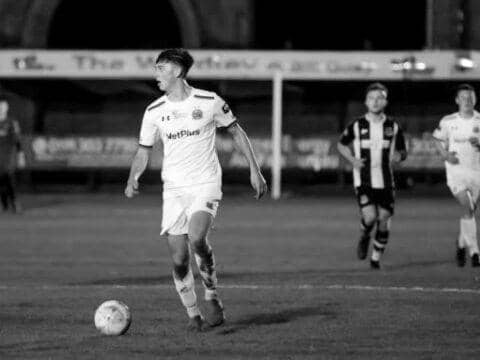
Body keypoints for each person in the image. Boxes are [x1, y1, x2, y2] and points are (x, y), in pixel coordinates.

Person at [124, 48, 267, 331]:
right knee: (178, 259)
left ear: (177, 71)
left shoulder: (209, 101)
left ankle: (211, 294)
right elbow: (143, 151)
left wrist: (255, 169)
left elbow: (237, 132)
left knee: (196, 236)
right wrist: (133, 177)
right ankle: (194, 315)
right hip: (174, 190)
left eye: (161, 69)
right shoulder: (154, 111)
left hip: (206, 183)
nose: (156, 76)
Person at [337, 83, 407, 269]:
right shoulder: (357, 125)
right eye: (372, 98)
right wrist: (352, 160)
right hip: (364, 179)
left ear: (385, 101)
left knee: (383, 218)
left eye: (379, 98)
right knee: (369, 217)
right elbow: (341, 144)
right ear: (366, 102)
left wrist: (399, 157)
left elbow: (403, 151)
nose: (375, 101)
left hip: (385, 180)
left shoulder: (393, 126)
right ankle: (364, 234)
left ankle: (375, 259)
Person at [433, 83, 480, 267]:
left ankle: (461, 244)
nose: (467, 101)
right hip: (456, 173)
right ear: (457, 100)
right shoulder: (448, 121)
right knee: (467, 207)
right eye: (463, 98)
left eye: (470, 97)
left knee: (468, 212)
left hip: (477, 173)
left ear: (475, 99)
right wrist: (445, 155)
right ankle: (475, 252)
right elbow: (437, 139)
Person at [0, 94, 25, 213]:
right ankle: (4, 203)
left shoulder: (11, 122)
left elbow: (17, 139)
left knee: (9, 177)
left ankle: (15, 203)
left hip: (7, 154)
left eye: (3, 107)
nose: (1, 109)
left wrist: (20, 155)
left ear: (6, 108)